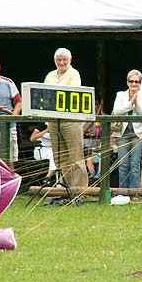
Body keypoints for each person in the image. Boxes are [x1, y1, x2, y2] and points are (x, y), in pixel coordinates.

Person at [44, 48, 88, 188]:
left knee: (75, 155)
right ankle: (64, 188)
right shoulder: (50, 75)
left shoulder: (74, 74)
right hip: (53, 120)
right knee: (60, 156)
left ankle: (79, 190)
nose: (61, 62)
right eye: (59, 60)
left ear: (70, 60)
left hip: (70, 120)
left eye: (64, 59)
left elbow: (71, 94)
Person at [112, 70, 142, 188]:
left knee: (134, 164)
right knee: (123, 164)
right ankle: (122, 193)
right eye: (131, 81)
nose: (134, 84)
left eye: (137, 82)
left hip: (138, 133)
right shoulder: (120, 95)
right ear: (127, 82)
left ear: (140, 83)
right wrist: (130, 104)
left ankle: (135, 193)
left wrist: (137, 104)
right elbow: (117, 111)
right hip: (122, 133)